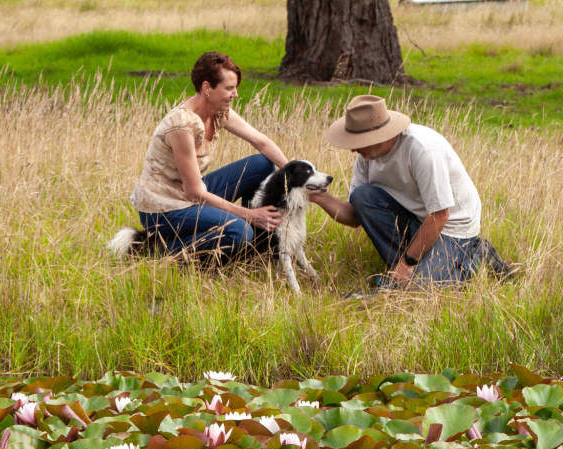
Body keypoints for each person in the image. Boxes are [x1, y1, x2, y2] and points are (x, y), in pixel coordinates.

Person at [311, 95, 512, 287]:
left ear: (378, 136)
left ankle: (477, 257)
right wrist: (319, 197)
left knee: (420, 290)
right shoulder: (366, 157)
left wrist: (408, 263)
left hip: (452, 227)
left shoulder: (423, 150)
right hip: (416, 218)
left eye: (357, 143)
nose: (353, 150)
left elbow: (440, 215)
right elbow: (355, 216)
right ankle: (404, 274)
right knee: (361, 196)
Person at [129, 52, 289, 262]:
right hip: (163, 211)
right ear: (207, 88)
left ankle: (257, 244)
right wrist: (248, 215)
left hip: (189, 195)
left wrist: (297, 176)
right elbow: (195, 192)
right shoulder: (181, 125)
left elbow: (262, 142)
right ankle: (156, 252)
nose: (236, 94)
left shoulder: (218, 111)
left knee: (262, 164)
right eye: (229, 88)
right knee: (239, 231)